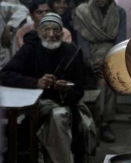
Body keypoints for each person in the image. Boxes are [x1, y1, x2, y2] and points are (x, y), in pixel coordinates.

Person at [0, 13, 98, 163]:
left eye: (56, 30)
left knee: (58, 116)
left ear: (62, 32)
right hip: (32, 105)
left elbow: (79, 90)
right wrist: (35, 82)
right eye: (46, 29)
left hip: (64, 104)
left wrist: (66, 90)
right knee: (55, 117)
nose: (51, 34)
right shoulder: (30, 49)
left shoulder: (72, 53)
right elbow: (4, 74)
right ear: (39, 32)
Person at [73, 0, 126, 142]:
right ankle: (99, 122)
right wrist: (90, 60)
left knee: (107, 76)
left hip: (111, 53)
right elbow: (81, 41)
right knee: (103, 75)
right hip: (87, 54)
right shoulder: (83, 12)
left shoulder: (119, 12)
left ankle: (103, 123)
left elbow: (120, 39)